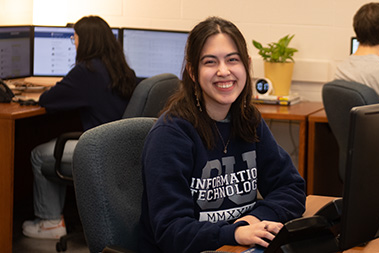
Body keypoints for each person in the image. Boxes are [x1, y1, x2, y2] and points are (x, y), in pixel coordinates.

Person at [139, 16, 306, 252]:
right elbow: (171, 230)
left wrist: (251, 221)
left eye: (232, 60)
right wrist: (235, 232)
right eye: (210, 62)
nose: (224, 71)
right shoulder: (171, 135)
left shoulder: (248, 120)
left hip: (235, 245)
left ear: (246, 65)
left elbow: (291, 188)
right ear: (193, 71)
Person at [22, 15, 137, 239]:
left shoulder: (87, 71)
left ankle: (50, 222)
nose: (74, 42)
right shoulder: (122, 69)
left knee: (38, 155)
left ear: (86, 41)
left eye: (75, 38)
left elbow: (48, 100)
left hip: (97, 150)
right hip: (119, 148)